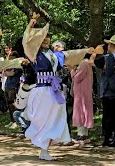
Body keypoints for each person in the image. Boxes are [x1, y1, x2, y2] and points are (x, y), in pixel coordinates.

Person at [22, 18, 102, 161]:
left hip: (54, 91)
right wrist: (31, 25)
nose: (46, 39)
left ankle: (45, 148)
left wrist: (87, 51)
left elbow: (70, 54)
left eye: (47, 37)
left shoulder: (55, 55)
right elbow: (26, 42)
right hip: (41, 91)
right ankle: (42, 147)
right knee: (43, 119)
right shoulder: (34, 53)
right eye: (43, 37)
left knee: (55, 118)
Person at [70, 53, 96, 143]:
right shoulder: (87, 64)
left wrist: (72, 71)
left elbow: (77, 78)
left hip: (81, 92)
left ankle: (81, 135)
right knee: (85, 111)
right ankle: (84, 135)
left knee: (80, 112)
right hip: (85, 91)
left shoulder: (83, 63)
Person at [98, 35, 115, 147]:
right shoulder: (107, 58)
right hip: (110, 91)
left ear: (111, 45)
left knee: (108, 116)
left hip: (109, 91)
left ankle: (107, 138)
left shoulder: (107, 58)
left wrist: (96, 53)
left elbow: (94, 62)